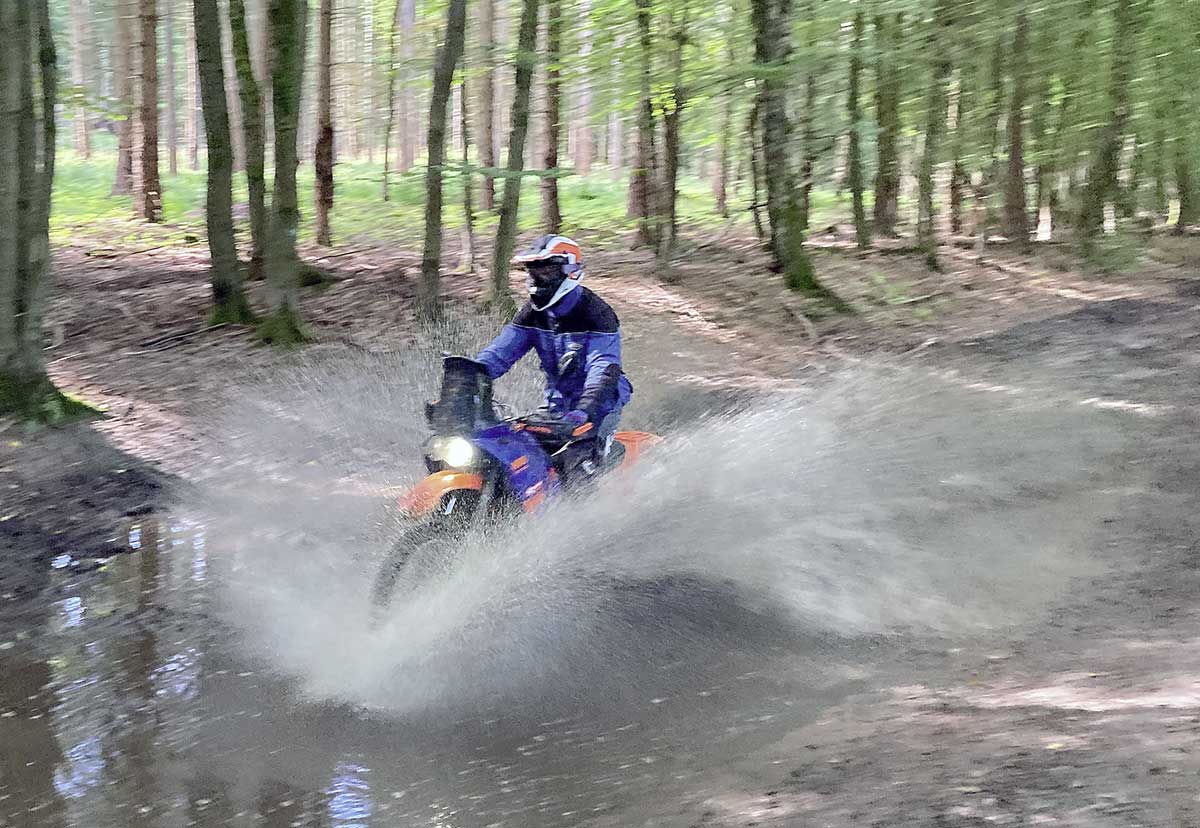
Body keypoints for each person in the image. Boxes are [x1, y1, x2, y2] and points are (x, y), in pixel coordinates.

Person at [476, 234, 633, 469]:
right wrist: (470, 376)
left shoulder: (596, 313)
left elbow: (603, 368)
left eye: (547, 271)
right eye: (534, 271)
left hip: (598, 405)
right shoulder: (532, 313)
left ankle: (605, 496)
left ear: (570, 270)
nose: (539, 278)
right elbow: (500, 353)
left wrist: (585, 410)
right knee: (518, 455)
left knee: (577, 465)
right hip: (557, 404)